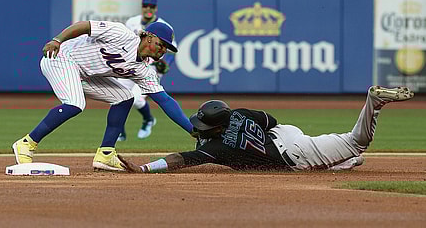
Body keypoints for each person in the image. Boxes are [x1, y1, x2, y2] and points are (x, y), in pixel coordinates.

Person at [12, 20, 194, 172]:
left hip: (86, 75)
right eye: (161, 45)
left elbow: (164, 100)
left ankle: (106, 154)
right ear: (148, 36)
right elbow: (84, 26)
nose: (162, 51)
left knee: (124, 97)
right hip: (61, 58)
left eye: (165, 49)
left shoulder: (144, 71)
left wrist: (193, 130)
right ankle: (26, 143)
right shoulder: (122, 34)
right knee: (75, 103)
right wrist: (57, 40)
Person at [117, 86, 414, 173]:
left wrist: (144, 169)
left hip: (293, 154)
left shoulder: (218, 148)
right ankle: (342, 162)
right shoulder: (239, 113)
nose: (201, 129)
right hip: (286, 133)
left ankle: (372, 102)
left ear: (217, 125)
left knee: (355, 144)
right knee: (340, 161)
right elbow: (269, 120)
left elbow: (179, 159)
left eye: (205, 125)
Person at [117, 0, 177, 141]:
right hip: (132, 63)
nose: (148, 8)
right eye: (145, 5)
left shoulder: (164, 26)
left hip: (151, 68)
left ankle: (148, 119)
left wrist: (165, 64)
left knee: (137, 99)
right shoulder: (132, 22)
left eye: (151, 6)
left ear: (156, 8)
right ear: (142, 7)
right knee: (118, 96)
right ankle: (119, 130)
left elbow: (172, 50)